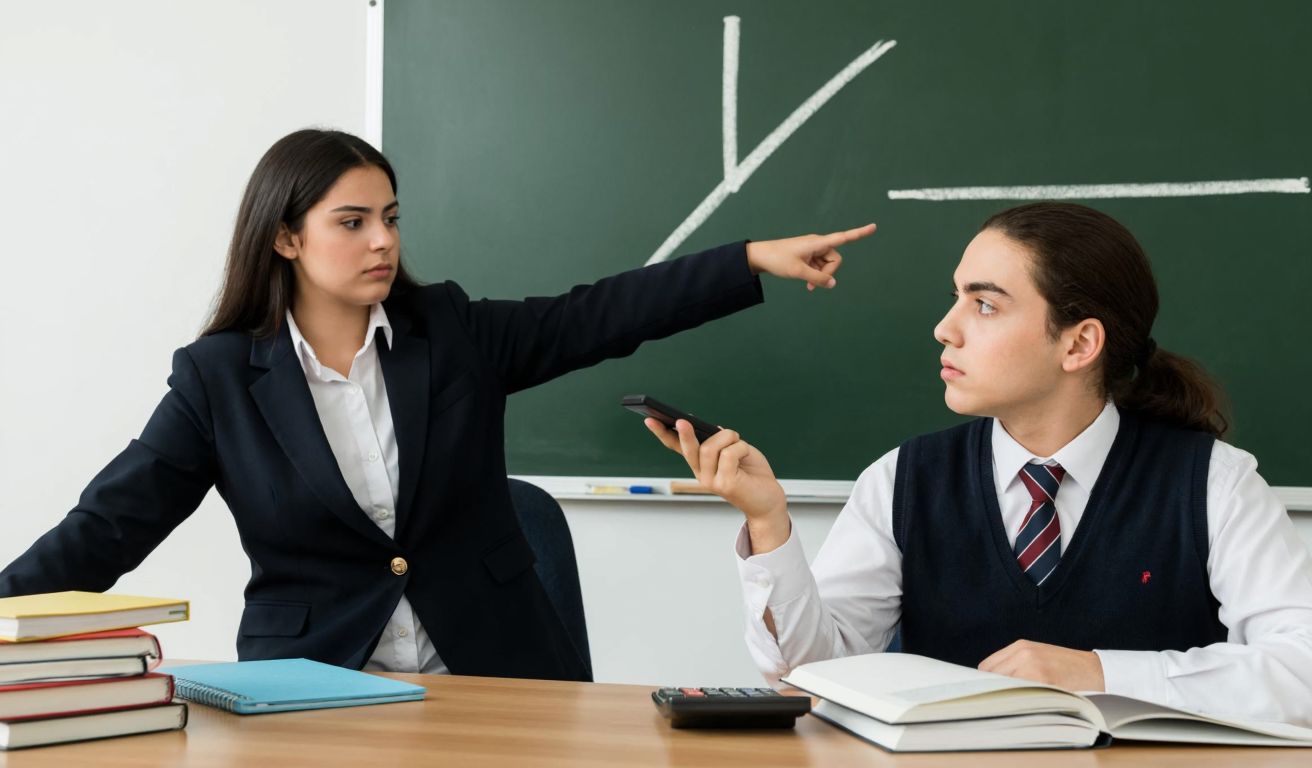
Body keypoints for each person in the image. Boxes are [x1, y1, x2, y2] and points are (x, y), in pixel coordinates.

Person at [0, 128, 875, 681]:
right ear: (285, 237)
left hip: (495, 678)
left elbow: (597, 315)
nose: (383, 239)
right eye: (352, 222)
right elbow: (107, 527)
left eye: (390, 215)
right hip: (315, 691)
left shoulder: (448, 331)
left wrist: (750, 258)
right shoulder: (218, 379)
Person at [642, 202, 1312, 728]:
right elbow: (810, 675)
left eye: (984, 305)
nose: (945, 327)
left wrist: (1098, 673)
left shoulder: (1211, 480)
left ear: (1079, 344)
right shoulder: (904, 479)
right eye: (956, 297)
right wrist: (769, 525)